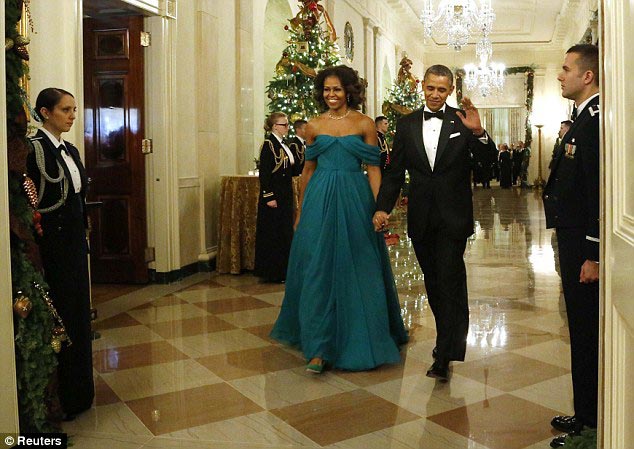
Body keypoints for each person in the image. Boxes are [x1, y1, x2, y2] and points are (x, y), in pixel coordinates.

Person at [270, 65, 408, 373]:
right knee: (318, 268)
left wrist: (380, 209)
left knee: (357, 265)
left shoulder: (364, 123)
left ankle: (361, 337)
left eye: (337, 89)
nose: (331, 95)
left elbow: (374, 170)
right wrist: (300, 210)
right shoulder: (314, 125)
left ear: (349, 91)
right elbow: (308, 171)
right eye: (326, 89)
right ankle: (318, 348)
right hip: (319, 199)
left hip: (355, 198)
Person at [374, 64, 497, 381]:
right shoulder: (407, 124)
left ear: (450, 91)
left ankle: (445, 352)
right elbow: (394, 173)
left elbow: (488, 167)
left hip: (453, 217)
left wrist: (478, 133)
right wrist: (382, 208)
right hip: (421, 218)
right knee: (433, 281)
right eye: (430, 88)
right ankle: (446, 339)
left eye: (442, 89)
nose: (435, 94)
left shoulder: (462, 120)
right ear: (423, 87)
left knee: (449, 280)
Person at [543, 44, 600, 448]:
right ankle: (583, 415)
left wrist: (594, 253)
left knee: (586, 333)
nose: (561, 76)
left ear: (587, 75)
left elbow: (598, 189)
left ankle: (591, 424)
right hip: (573, 238)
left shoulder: (594, 120)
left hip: (583, 243)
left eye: (566, 69)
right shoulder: (581, 117)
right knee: (579, 331)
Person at [26, 88, 94, 419]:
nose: (72, 116)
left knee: (79, 314)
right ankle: (64, 397)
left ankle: (81, 393)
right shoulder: (34, 150)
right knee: (63, 315)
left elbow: (77, 196)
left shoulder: (71, 150)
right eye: (65, 110)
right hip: (53, 246)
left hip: (74, 243)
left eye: (74, 110)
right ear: (45, 112)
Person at [254, 112, 300, 282]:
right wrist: (269, 196)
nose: (287, 127)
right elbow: (265, 174)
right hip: (274, 195)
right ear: (274, 127)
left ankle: (284, 270)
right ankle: (272, 272)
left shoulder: (283, 144)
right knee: (274, 233)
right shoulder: (269, 145)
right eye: (284, 124)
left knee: (284, 232)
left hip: (284, 193)